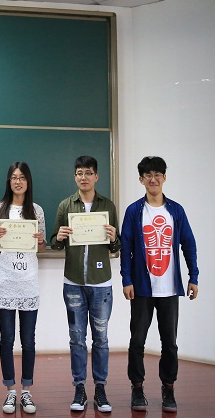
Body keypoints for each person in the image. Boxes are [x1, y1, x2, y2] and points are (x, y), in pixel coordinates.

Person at [120, 156, 199, 413]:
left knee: (170, 343)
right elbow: (126, 248)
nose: (153, 179)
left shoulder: (176, 210)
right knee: (137, 341)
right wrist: (126, 280)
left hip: (169, 288)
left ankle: (168, 388)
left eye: (157, 174)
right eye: (148, 175)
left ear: (164, 177)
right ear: (141, 179)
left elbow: (188, 244)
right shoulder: (134, 211)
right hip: (142, 288)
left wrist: (193, 277)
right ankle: (137, 387)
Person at [50, 155, 120, 413]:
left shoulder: (108, 206)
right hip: (74, 282)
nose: (84, 177)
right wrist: (59, 236)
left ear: (96, 176)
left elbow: (116, 246)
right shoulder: (65, 205)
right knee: (77, 339)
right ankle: (79, 388)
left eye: (88, 172)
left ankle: (100, 388)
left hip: (101, 283)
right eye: (79, 173)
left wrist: (113, 238)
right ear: (75, 176)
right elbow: (54, 244)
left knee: (101, 338)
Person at [0, 162, 46, 415]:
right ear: (8, 181)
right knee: (7, 339)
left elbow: (41, 248)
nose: (18, 181)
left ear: (28, 181)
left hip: (28, 281)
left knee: (29, 340)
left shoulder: (37, 210)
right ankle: (10, 391)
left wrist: (41, 241)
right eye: (14, 177)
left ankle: (27, 391)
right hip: (5, 280)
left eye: (22, 177)